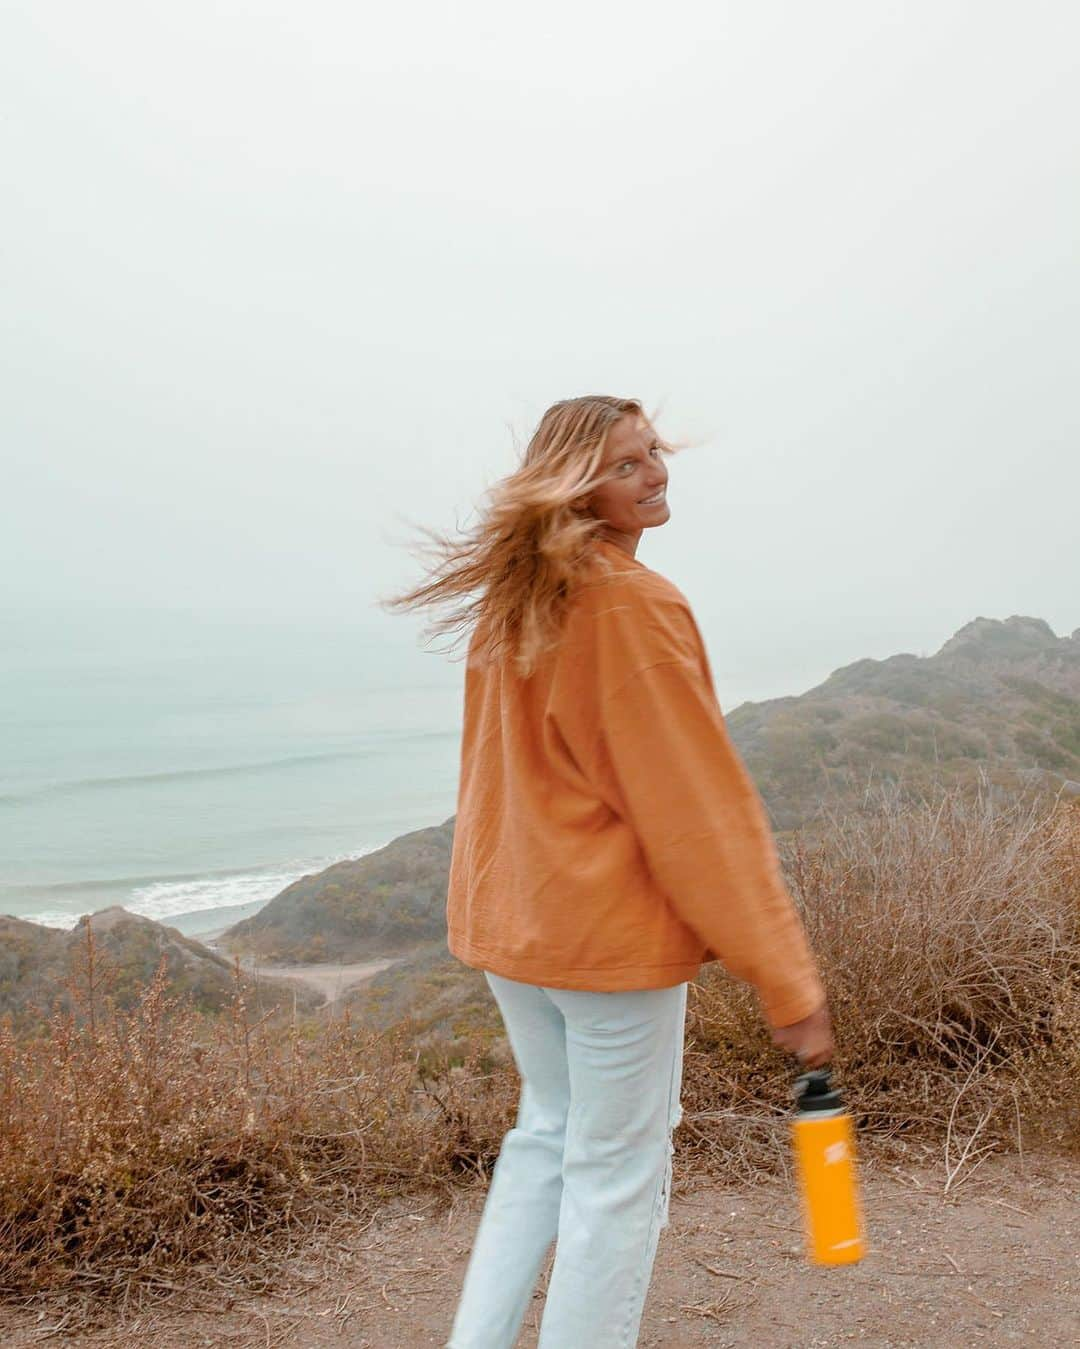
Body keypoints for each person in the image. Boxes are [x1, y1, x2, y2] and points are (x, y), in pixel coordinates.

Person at [383, 394, 832, 1348]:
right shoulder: (631, 605)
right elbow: (697, 813)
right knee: (617, 1177)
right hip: (603, 945)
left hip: (519, 931)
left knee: (546, 1137)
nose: (655, 472)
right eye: (627, 463)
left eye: (653, 453)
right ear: (578, 483)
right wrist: (787, 979)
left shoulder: (519, 599)